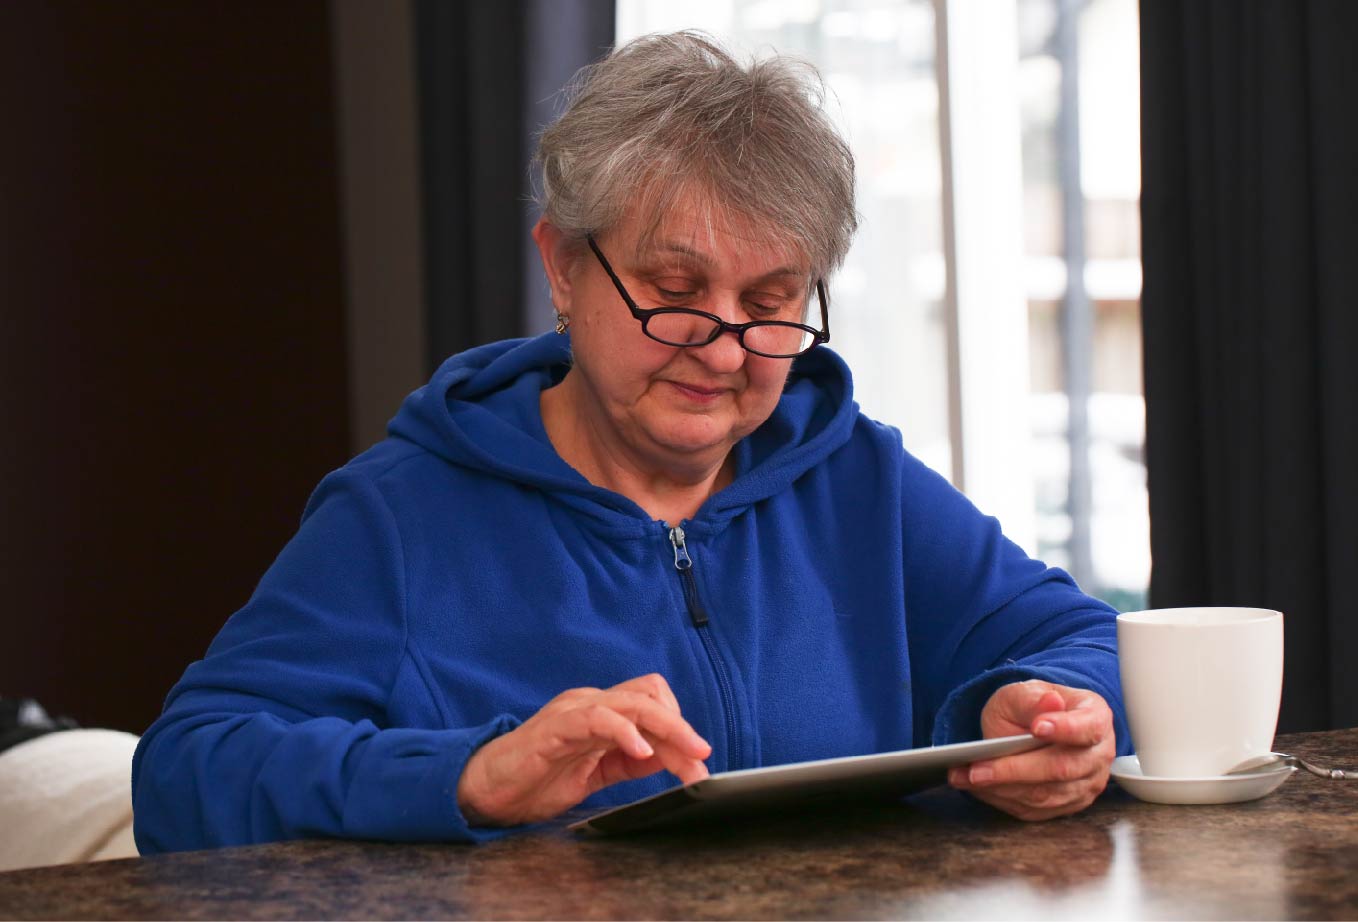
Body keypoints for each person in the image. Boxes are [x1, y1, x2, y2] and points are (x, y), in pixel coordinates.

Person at [132, 31, 1129, 853]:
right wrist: (472, 776)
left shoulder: (859, 479)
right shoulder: (398, 515)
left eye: (770, 301)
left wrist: (1046, 713)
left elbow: (1094, 644)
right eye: (676, 290)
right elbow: (186, 772)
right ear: (564, 267)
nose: (724, 346)